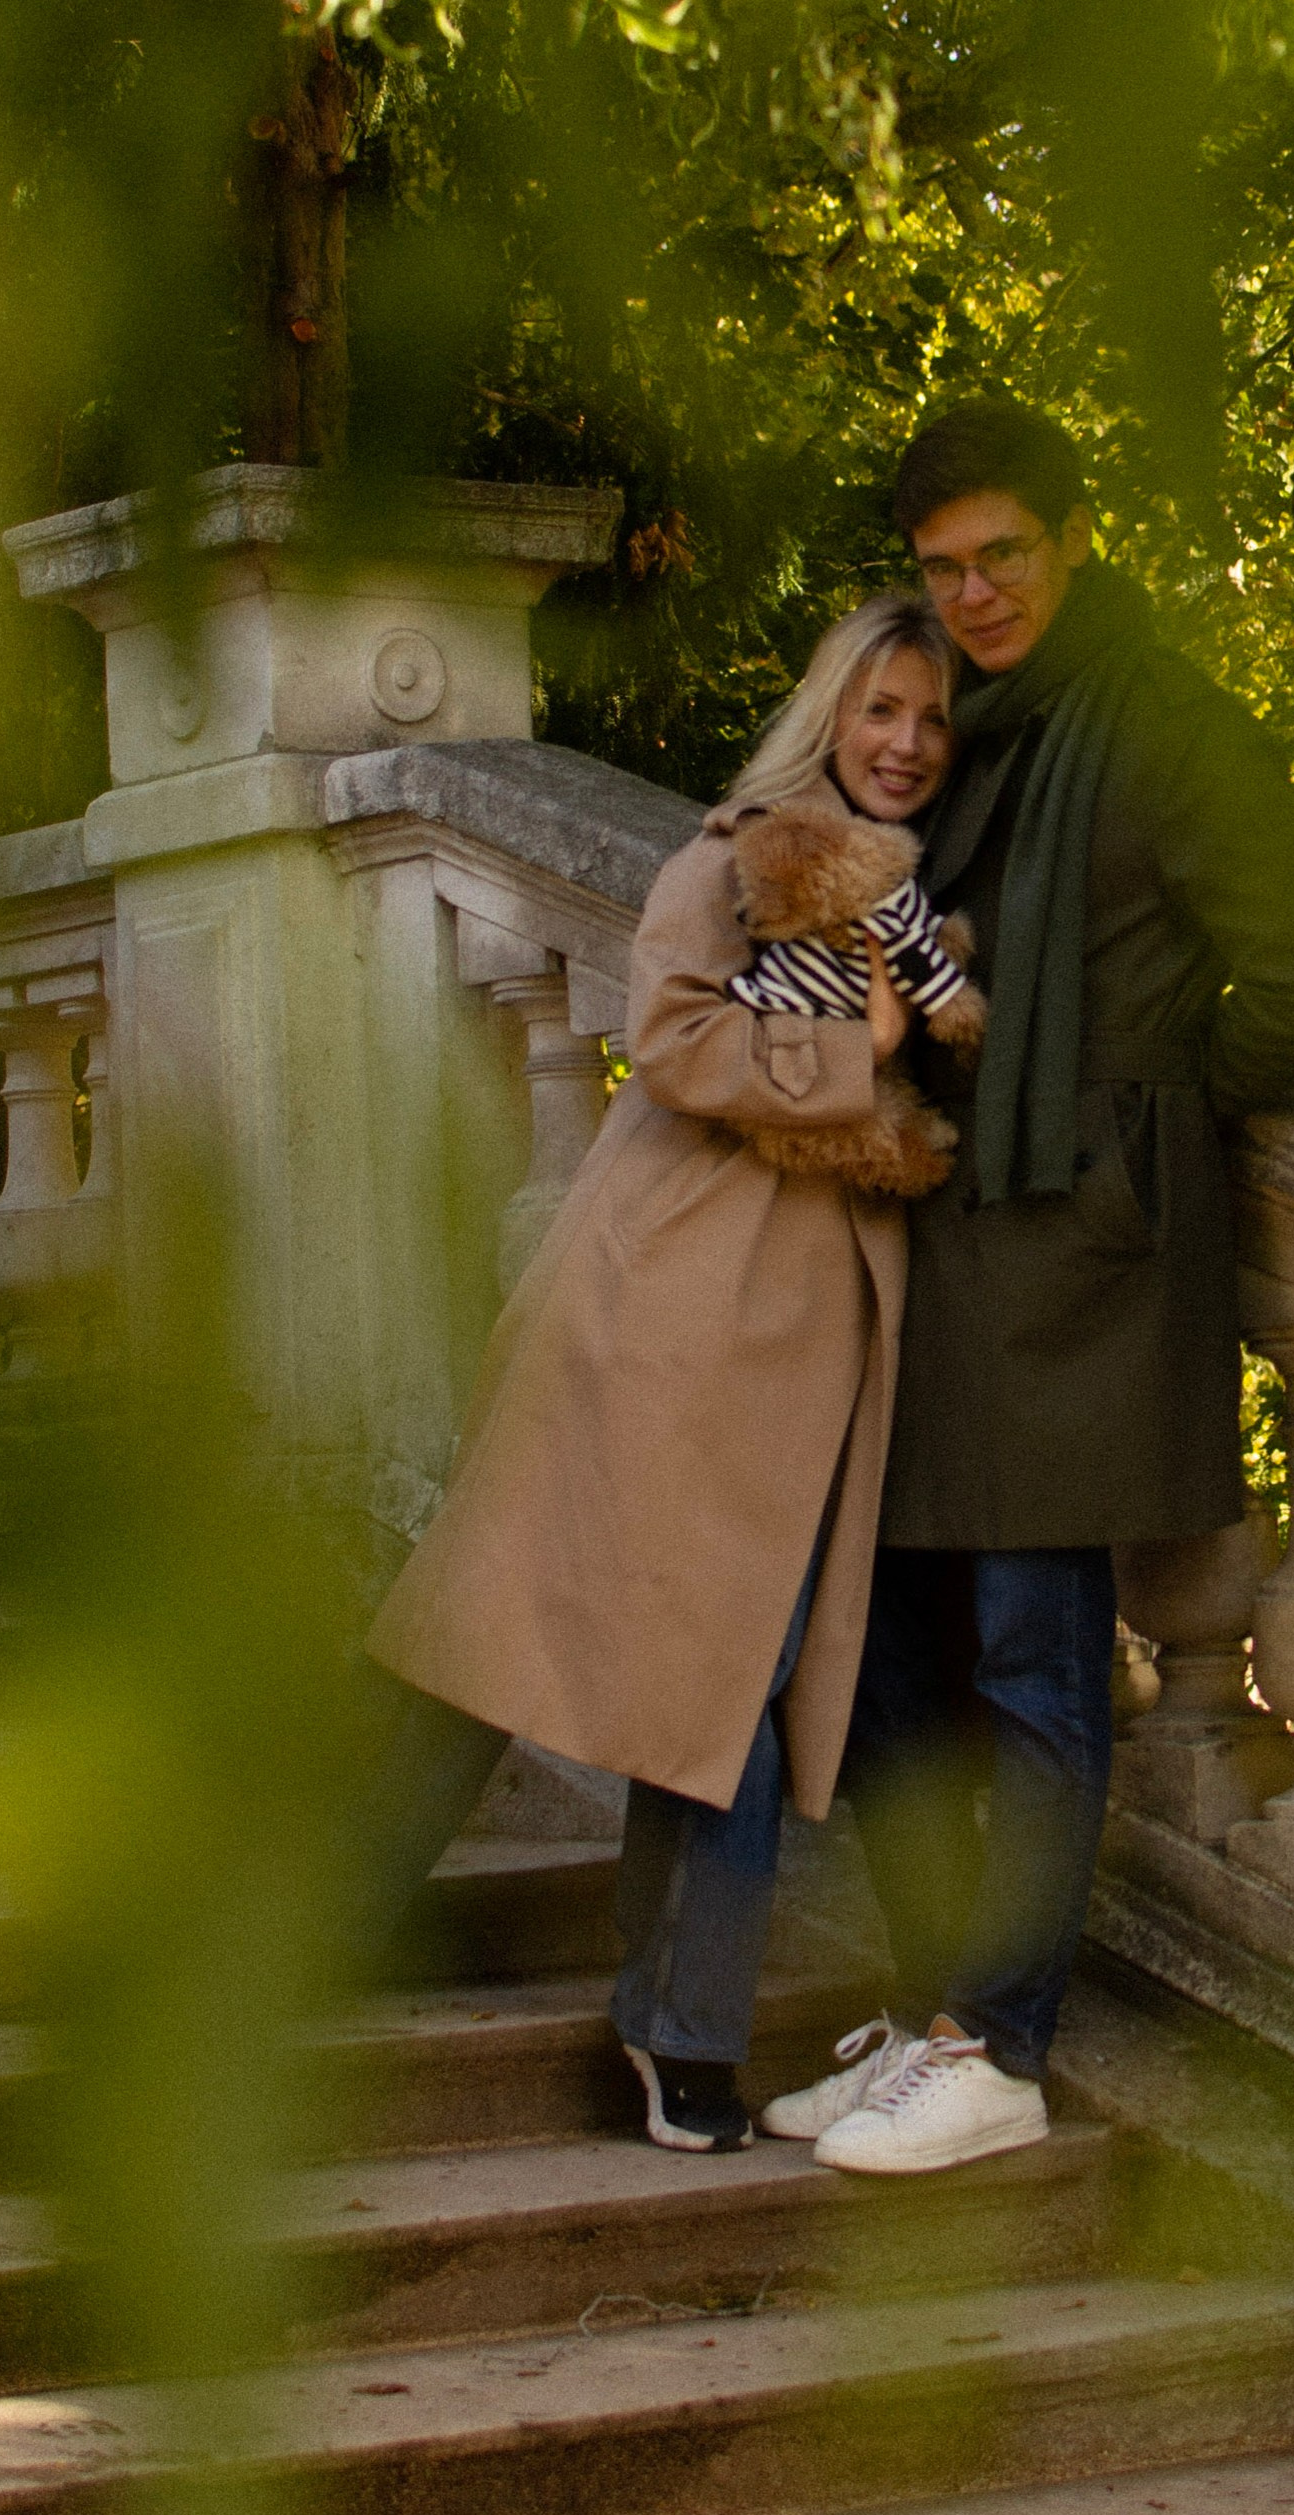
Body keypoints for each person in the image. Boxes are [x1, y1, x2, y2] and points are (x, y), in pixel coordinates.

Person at [764, 394, 1294, 2177]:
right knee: (888, 1654)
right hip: (948, 1250)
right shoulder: (969, 733)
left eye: (1003, 554)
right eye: (943, 567)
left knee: (1037, 1659)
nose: (974, 593)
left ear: (1076, 537)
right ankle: (929, 2011)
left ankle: (999, 2048)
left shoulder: (1169, 727)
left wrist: (1140, 1119)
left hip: (1082, 1265)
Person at [362, 594, 961, 2150]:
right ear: (829, 713)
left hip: (794, 1333)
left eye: (931, 719)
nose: (905, 743)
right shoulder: (735, 858)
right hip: (667, 1304)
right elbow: (674, 1039)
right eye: (880, 709)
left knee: (712, 1681)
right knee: (509, 1622)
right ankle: (345, 1923)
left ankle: (674, 2026)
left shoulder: (910, 900)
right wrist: (854, 1051)